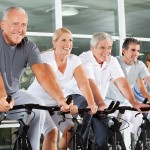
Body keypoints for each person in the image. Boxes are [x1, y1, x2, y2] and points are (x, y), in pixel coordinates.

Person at [0, 6, 75, 150]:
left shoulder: (29, 46)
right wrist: (2, 96)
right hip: (2, 92)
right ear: (2, 25)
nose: (19, 29)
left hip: (14, 94)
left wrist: (61, 100)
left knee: (37, 110)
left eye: (23, 25)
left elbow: (42, 75)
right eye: (14, 23)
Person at [70, 32, 150, 149]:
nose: (106, 51)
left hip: (98, 102)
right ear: (92, 48)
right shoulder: (84, 58)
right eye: (102, 47)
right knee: (87, 112)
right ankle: (81, 145)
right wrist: (101, 103)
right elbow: (90, 83)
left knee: (103, 136)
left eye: (109, 47)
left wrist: (134, 102)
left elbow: (121, 82)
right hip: (78, 97)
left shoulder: (111, 60)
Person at [27, 27, 98, 150]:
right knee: (52, 133)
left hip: (56, 102)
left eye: (70, 40)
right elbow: (53, 82)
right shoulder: (46, 58)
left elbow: (83, 83)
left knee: (71, 131)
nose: (68, 44)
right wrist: (65, 103)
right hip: (37, 102)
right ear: (54, 43)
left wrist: (92, 104)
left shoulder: (74, 60)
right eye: (63, 40)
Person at [106, 37, 150, 145]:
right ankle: (112, 142)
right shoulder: (114, 62)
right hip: (110, 100)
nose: (136, 53)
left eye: (138, 50)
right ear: (124, 51)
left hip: (126, 101)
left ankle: (140, 144)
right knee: (123, 119)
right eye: (133, 50)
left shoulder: (139, 65)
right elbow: (118, 84)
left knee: (139, 120)